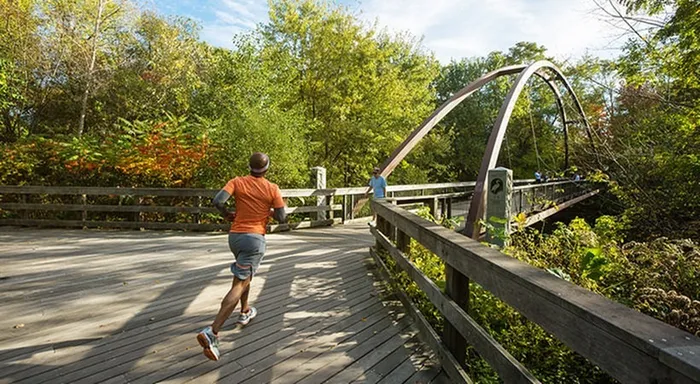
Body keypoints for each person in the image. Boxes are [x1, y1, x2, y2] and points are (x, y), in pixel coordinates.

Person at [196, 152, 287, 361]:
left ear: (249, 166)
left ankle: (245, 310)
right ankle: (213, 331)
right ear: (267, 168)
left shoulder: (236, 182)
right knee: (239, 283)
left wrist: (227, 215)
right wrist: (268, 211)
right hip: (254, 239)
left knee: (243, 276)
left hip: (235, 237)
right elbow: (282, 217)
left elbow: (218, 201)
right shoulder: (272, 188)